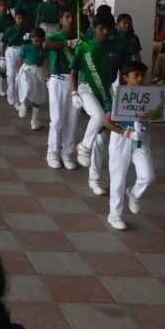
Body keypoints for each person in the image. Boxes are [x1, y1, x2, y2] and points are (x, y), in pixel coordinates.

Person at [103, 61, 156, 231]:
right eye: (136, 75)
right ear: (126, 77)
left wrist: (154, 115)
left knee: (148, 175)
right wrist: (126, 133)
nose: (140, 79)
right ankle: (114, 215)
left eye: (142, 76)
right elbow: (107, 122)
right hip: (121, 138)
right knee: (118, 179)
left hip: (141, 138)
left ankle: (133, 193)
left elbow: (160, 115)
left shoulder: (148, 95)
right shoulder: (117, 96)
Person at [71, 14, 117, 194]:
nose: (105, 32)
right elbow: (73, 71)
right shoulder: (84, 47)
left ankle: (95, 179)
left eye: (108, 29)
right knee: (98, 116)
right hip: (86, 89)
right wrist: (74, 92)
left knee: (101, 140)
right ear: (94, 29)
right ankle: (83, 147)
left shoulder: (114, 48)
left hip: (106, 93)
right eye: (101, 29)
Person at [43, 10, 79, 170]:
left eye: (73, 17)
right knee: (57, 119)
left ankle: (67, 153)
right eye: (67, 17)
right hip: (58, 79)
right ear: (60, 20)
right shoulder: (55, 36)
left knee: (72, 119)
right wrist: (68, 43)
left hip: (75, 82)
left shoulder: (81, 38)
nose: (70, 20)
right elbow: (46, 45)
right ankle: (52, 152)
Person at [16, 28, 49, 131]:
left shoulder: (43, 50)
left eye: (41, 41)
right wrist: (17, 71)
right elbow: (20, 59)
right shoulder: (26, 47)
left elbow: (45, 63)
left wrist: (48, 76)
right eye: (36, 41)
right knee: (26, 86)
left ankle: (34, 121)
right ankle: (23, 103)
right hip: (27, 70)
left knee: (38, 96)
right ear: (31, 38)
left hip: (39, 71)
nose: (38, 43)